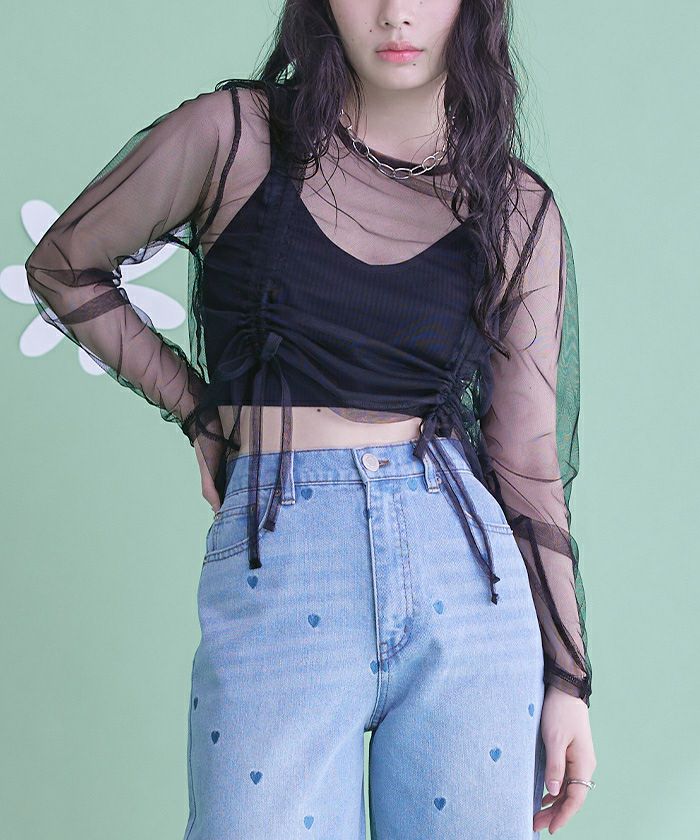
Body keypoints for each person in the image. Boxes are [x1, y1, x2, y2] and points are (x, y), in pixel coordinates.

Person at [24, 0, 597, 837]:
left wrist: (568, 681)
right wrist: (200, 411)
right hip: (285, 563)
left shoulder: (514, 205)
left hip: (468, 586)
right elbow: (64, 264)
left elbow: (527, 461)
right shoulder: (236, 137)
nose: (396, 14)